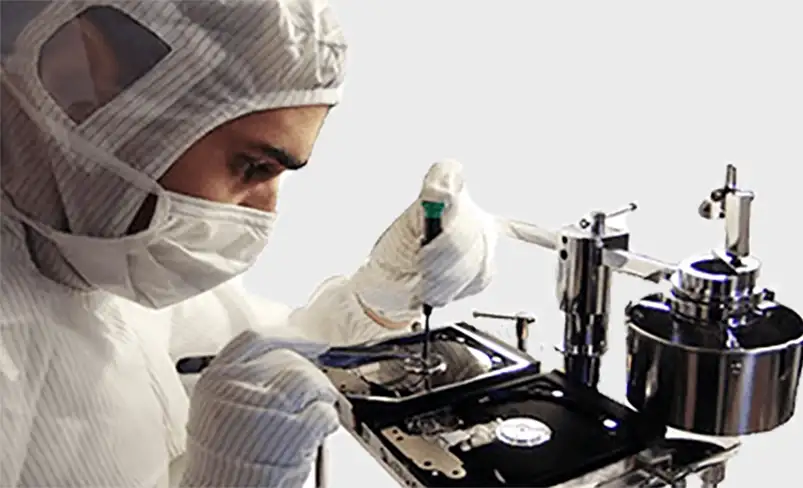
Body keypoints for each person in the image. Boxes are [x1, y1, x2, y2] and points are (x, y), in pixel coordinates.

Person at [0, 1, 498, 487]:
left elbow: (255, 365)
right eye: (253, 167)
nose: (265, 212)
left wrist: (381, 298)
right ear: (74, 80)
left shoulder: (100, 247)